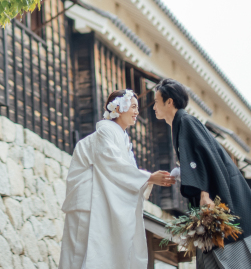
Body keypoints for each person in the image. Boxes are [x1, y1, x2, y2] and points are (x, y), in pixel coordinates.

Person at [152, 78, 251, 269]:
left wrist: (204, 194)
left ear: (169, 102)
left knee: (235, 254)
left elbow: (204, 157)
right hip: (213, 200)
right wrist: (179, 172)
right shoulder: (181, 123)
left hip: (218, 198)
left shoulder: (186, 121)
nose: (153, 107)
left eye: (156, 101)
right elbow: (195, 160)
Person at [59, 89, 174, 269]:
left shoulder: (122, 138)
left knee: (98, 254)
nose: (137, 112)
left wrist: (148, 180)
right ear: (119, 108)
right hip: (87, 202)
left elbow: (125, 170)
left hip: (98, 200)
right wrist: (149, 177)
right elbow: (112, 164)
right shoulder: (105, 132)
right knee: (79, 256)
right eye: (133, 107)